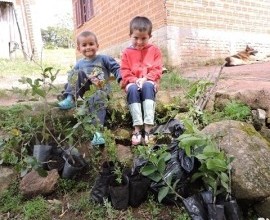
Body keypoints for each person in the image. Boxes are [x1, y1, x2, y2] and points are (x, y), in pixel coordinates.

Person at [58, 31, 122, 145]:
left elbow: (116, 68)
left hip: (101, 91)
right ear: (79, 48)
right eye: (84, 45)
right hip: (86, 90)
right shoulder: (79, 63)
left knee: (97, 98)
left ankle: (98, 133)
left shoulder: (104, 59)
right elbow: (72, 78)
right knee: (75, 73)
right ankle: (70, 98)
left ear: (97, 45)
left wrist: (121, 78)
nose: (88, 47)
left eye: (91, 44)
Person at [120, 16, 163, 145]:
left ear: (149, 36)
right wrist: (134, 79)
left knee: (148, 87)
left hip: (149, 81)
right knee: (132, 89)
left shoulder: (155, 51)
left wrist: (146, 79)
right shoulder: (127, 53)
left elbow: (157, 69)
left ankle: (148, 127)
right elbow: (124, 71)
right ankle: (137, 128)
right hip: (132, 82)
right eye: (136, 38)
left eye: (143, 38)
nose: (139, 42)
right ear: (130, 35)